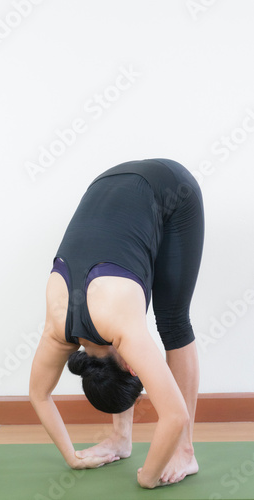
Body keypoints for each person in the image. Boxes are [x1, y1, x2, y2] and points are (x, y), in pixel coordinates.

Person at [29, 158, 204, 489]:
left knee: (173, 323)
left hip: (171, 187)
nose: (138, 366)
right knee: (134, 306)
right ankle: (120, 438)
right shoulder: (57, 330)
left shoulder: (123, 327)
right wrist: (72, 456)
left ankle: (186, 451)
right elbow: (38, 395)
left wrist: (149, 478)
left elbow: (175, 414)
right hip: (105, 181)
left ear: (129, 368)